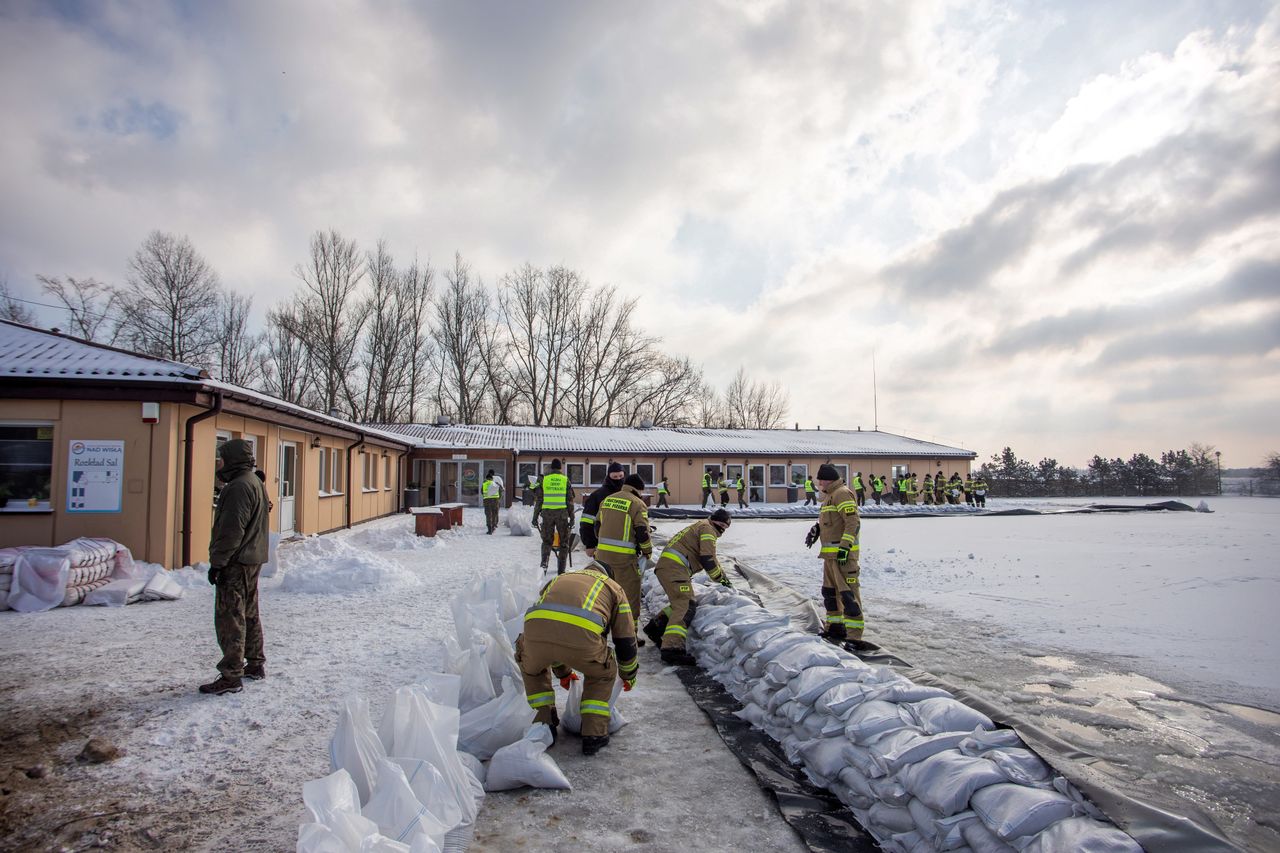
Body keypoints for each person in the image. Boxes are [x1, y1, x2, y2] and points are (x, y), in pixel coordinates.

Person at [516, 563, 638, 756]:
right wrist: (628, 674)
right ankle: (594, 734)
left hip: (535, 634)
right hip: (582, 639)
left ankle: (543, 724)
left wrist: (563, 673)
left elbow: (554, 630)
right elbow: (625, 640)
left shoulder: (558, 579)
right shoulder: (614, 588)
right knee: (602, 673)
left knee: (533, 668)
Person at [200, 439, 270, 695]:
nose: (219, 463)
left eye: (221, 458)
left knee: (231, 617)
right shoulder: (254, 483)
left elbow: (231, 531)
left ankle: (231, 675)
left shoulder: (238, 487)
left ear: (231, 460)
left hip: (236, 562)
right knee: (250, 613)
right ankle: (255, 663)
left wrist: (218, 563)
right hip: (252, 558)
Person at [643, 509, 732, 664]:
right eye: (724, 526)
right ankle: (672, 649)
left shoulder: (702, 525)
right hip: (674, 570)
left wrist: (722, 577)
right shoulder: (708, 530)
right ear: (720, 523)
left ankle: (655, 628)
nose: (723, 530)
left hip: (669, 569)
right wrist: (722, 580)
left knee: (679, 603)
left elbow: (710, 558)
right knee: (685, 605)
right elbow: (708, 559)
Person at [805, 463, 864, 646]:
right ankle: (835, 627)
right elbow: (833, 522)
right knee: (830, 594)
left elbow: (853, 521)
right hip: (829, 557)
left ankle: (854, 637)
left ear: (827, 479)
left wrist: (845, 547)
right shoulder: (829, 496)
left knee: (848, 596)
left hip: (843, 557)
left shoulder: (841, 493)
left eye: (820, 480)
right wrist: (816, 530)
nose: (819, 483)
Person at [592, 473, 653, 647]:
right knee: (629, 598)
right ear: (638, 489)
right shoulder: (637, 504)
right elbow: (642, 532)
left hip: (602, 559)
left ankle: (599, 633)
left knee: (604, 596)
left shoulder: (607, 500)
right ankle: (630, 636)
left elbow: (596, 528)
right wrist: (647, 551)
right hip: (625, 561)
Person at [535, 459, 575, 574]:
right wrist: (572, 518)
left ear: (551, 468)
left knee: (547, 541)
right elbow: (570, 501)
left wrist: (535, 516)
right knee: (564, 543)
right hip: (562, 515)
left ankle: (543, 566)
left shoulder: (545, 480)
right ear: (560, 468)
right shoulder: (565, 480)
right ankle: (561, 570)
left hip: (547, 515)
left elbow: (539, 500)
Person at [580, 462, 625, 555]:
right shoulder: (597, 496)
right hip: (603, 548)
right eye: (615, 477)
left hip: (628, 548)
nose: (619, 479)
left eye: (621, 476)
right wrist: (590, 545)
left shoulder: (631, 495)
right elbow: (587, 521)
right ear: (609, 476)